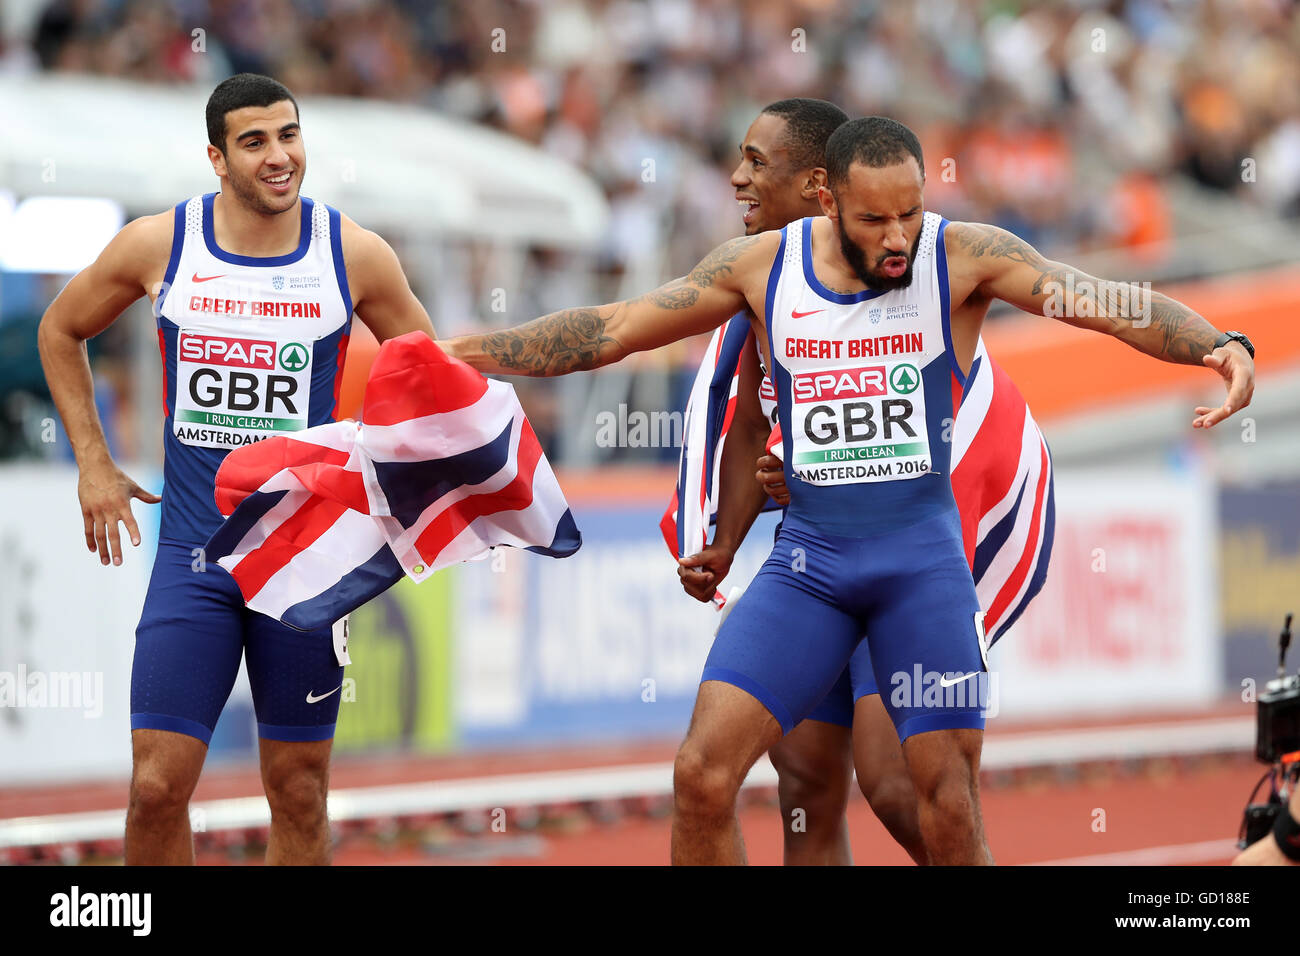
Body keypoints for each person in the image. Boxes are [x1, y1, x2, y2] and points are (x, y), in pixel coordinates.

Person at [442, 116, 1255, 865]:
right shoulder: (760, 269)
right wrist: (458, 353)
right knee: (700, 773)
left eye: (911, 212)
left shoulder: (962, 256)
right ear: (828, 200)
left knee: (940, 806)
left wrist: (1219, 344)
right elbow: (611, 331)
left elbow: (1108, 305)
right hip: (812, 567)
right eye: (875, 220)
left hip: (923, 570)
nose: (898, 237)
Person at [37, 73, 436, 865]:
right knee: (156, 785)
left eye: (289, 135)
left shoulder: (352, 252)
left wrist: (384, 476)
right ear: (217, 158)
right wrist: (94, 462)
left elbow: (430, 374)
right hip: (196, 558)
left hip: (302, 563)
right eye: (255, 142)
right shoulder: (162, 244)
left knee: (297, 790)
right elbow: (61, 329)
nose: (279, 156)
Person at [672, 99, 1053, 865]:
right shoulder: (763, 283)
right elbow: (752, 420)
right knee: (805, 787)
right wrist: (730, 535)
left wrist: (837, 473)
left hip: (923, 545)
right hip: (816, 558)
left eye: (756, 162)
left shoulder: (923, 272)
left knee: (897, 785)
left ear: (819, 186)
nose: (739, 178)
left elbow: (948, 445)